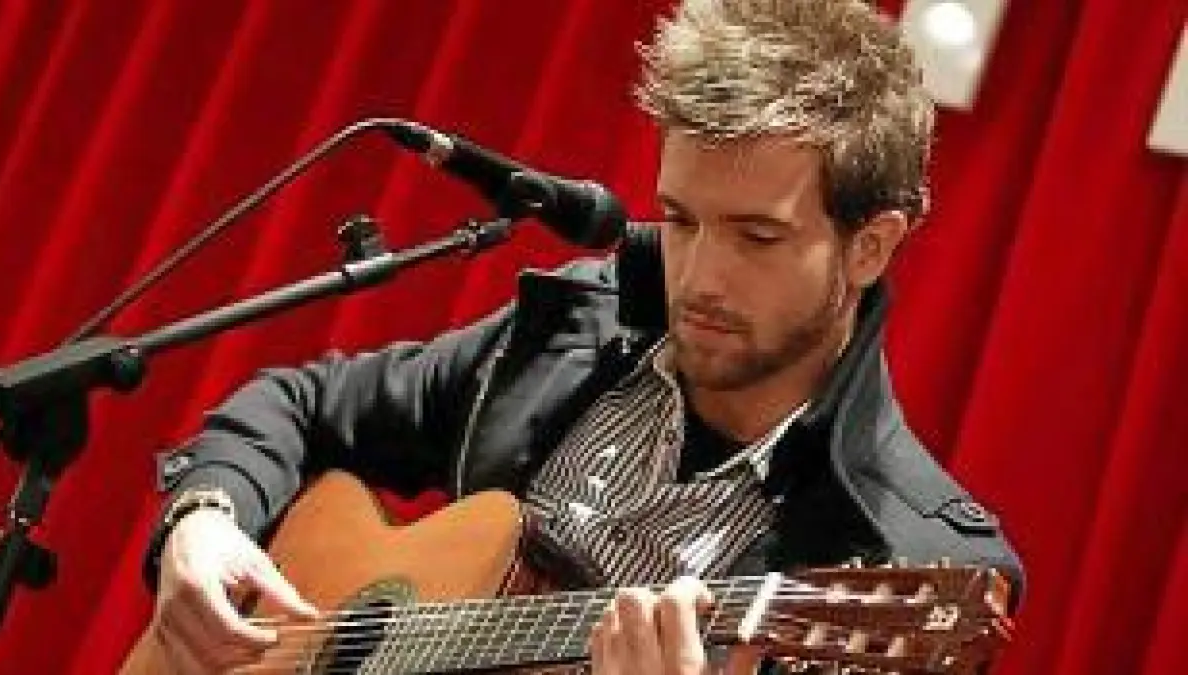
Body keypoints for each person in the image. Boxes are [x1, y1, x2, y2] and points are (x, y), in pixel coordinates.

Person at [145, 0, 1024, 672]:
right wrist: (205, 516)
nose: (699, 277)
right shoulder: (575, 335)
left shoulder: (902, 557)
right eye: (680, 220)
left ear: (871, 245)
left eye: (757, 237)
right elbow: (302, 403)